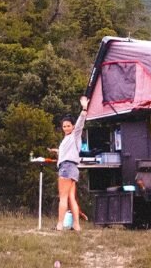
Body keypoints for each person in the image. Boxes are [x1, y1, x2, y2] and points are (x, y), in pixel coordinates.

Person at [48, 95, 89, 231]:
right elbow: (68, 152)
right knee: (71, 197)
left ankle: (60, 225)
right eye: (64, 126)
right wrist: (57, 151)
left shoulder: (75, 134)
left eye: (68, 126)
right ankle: (76, 225)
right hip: (72, 168)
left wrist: (84, 108)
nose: (66, 128)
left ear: (72, 126)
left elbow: (80, 123)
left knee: (63, 197)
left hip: (66, 168)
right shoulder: (67, 139)